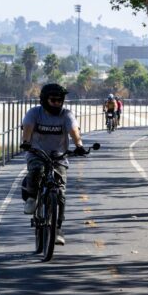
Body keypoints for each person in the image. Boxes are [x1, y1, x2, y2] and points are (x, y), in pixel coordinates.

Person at [20, 83, 85, 246]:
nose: (57, 103)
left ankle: (57, 229)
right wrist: (26, 142)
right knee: (36, 170)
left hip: (58, 157)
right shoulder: (34, 113)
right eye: (53, 100)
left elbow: (74, 130)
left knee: (61, 192)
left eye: (60, 100)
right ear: (44, 100)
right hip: (37, 152)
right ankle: (32, 197)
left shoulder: (66, 114)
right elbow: (27, 128)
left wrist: (79, 145)